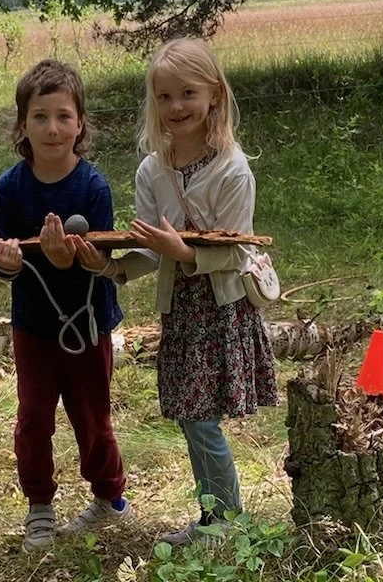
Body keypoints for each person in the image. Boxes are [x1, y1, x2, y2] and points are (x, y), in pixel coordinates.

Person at [112, 36, 276, 547]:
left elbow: (234, 252)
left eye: (187, 94)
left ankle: (226, 520)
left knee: (201, 417)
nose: (175, 107)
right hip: (181, 309)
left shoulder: (232, 169)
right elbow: (151, 251)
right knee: (189, 414)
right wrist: (110, 268)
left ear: (214, 97)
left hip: (219, 308)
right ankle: (214, 516)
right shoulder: (151, 170)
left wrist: (180, 251)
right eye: (164, 97)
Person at [0, 59, 131, 552]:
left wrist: (71, 260)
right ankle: (39, 507)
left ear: (81, 125)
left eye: (64, 116)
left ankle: (109, 498)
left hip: (88, 323)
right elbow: (5, 265)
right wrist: (8, 261)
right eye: (40, 116)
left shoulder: (93, 187)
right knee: (33, 416)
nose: (53, 128)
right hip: (33, 325)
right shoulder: (9, 188)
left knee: (90, 415)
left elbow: (103, 263)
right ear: (22, 126)